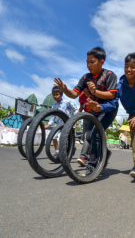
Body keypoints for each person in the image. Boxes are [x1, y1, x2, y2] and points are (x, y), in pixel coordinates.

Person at [54, 46, 118, 174]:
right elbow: (74, 94)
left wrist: (95, 91)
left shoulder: (109, 75)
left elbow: (111, 95)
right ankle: (105, 153)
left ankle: (93, 164)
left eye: (92, 62)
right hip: (93, 110)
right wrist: (65, 90)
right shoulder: (86, 77)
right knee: (88, 135)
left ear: (101, 62)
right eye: (87, 62)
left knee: (95, 134)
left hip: (108, 110)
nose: (88, 65)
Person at [44, 86, 78, 160]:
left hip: (68, 123)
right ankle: (57, 152)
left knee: (66, 140)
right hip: (59, 124)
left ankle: (70, 150)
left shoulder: (67, 102)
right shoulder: (54, 106)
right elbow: (52, 117)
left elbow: (75, 109)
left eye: (57, 94)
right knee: (54, 136)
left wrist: (75, 119)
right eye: (53, 95)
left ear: (61, 94)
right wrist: (49, 124)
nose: (55, 96)